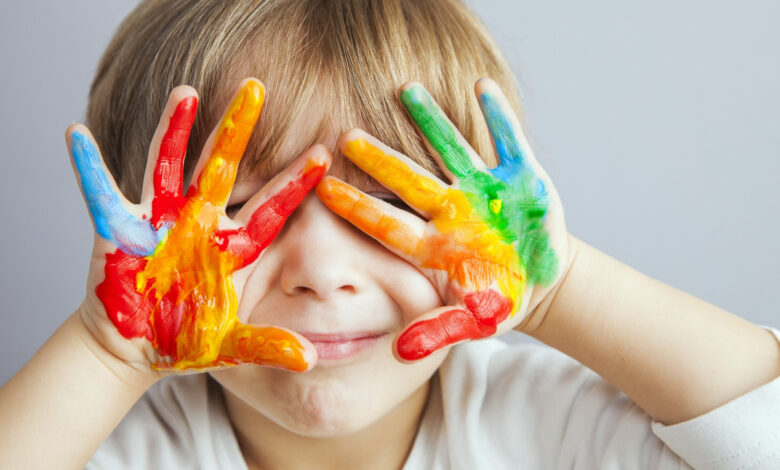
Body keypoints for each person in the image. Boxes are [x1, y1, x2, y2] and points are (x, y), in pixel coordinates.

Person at [1, 0, 778, 468]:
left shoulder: (551, 427)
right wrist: (109, 354)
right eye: (236, 212)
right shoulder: (100, 444)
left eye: (393, 212)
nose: (322, 272)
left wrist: (557, 289)